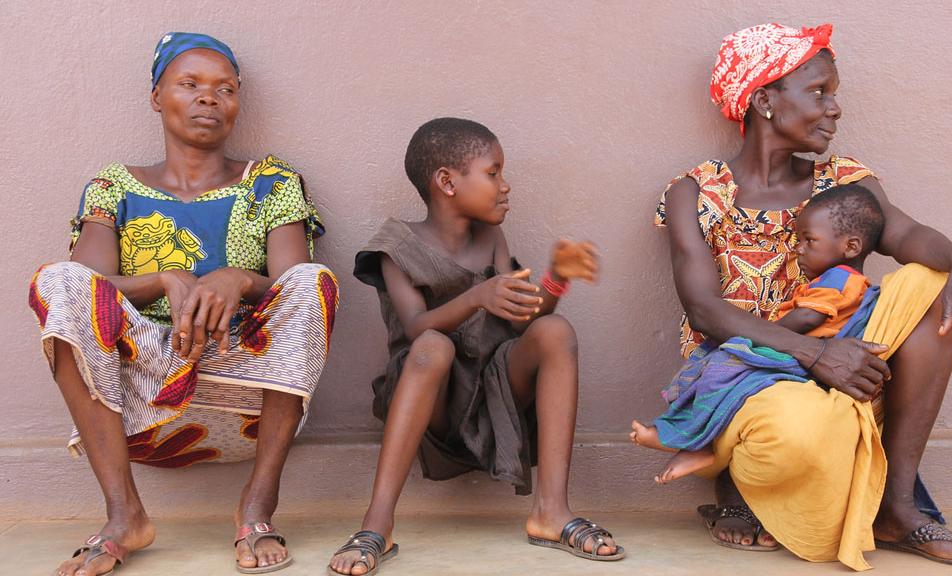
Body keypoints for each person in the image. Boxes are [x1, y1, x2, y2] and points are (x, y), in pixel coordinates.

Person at [654, 23, 952, 570]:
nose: (834, 109)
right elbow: (705, 309)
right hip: (755, 377)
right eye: (819, 92)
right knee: (799, 432)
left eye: (833, 94)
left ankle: (897, 507)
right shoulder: (695, 193)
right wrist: (815, 353)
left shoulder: (844, 183)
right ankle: (739, 481)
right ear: (764, 101)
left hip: (848, 366)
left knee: (934, 284)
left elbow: (908, 236)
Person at [29, 33, 336, 576]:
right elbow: (86, 283)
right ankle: (124, 515)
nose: (208, 98)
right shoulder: (113, 187)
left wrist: (238, 279)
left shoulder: (273, 183)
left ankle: (258, 506)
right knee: (58, 280)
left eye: (225, 89)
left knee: (314, 281)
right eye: (189, 84)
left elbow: (294, 287)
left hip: (246, 387)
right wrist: (163, 280)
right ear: (156, 97)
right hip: (139, 393)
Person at [332, 117, 624, 575]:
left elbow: (524, 318)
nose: (505, 186)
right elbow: (416, 327)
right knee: (433, 346)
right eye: (493, 173)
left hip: (493, 395)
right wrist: (476, 297)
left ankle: (551, 511)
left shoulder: (491, 237)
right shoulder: (395, 247)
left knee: (556, 331)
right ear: (447, 182)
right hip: (432, 401)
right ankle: (377, 524)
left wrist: (556, 279)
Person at [632, 184, 883, 484]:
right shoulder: (835, 279)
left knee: (724, 365)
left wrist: (762, 338)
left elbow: (807, 317)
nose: (799, 249)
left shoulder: (840, 278)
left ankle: (687, 439)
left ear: (851, 247)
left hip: (802, 358)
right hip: (803, 354)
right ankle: (699, 442)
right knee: (720, 366)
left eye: (809, 240)